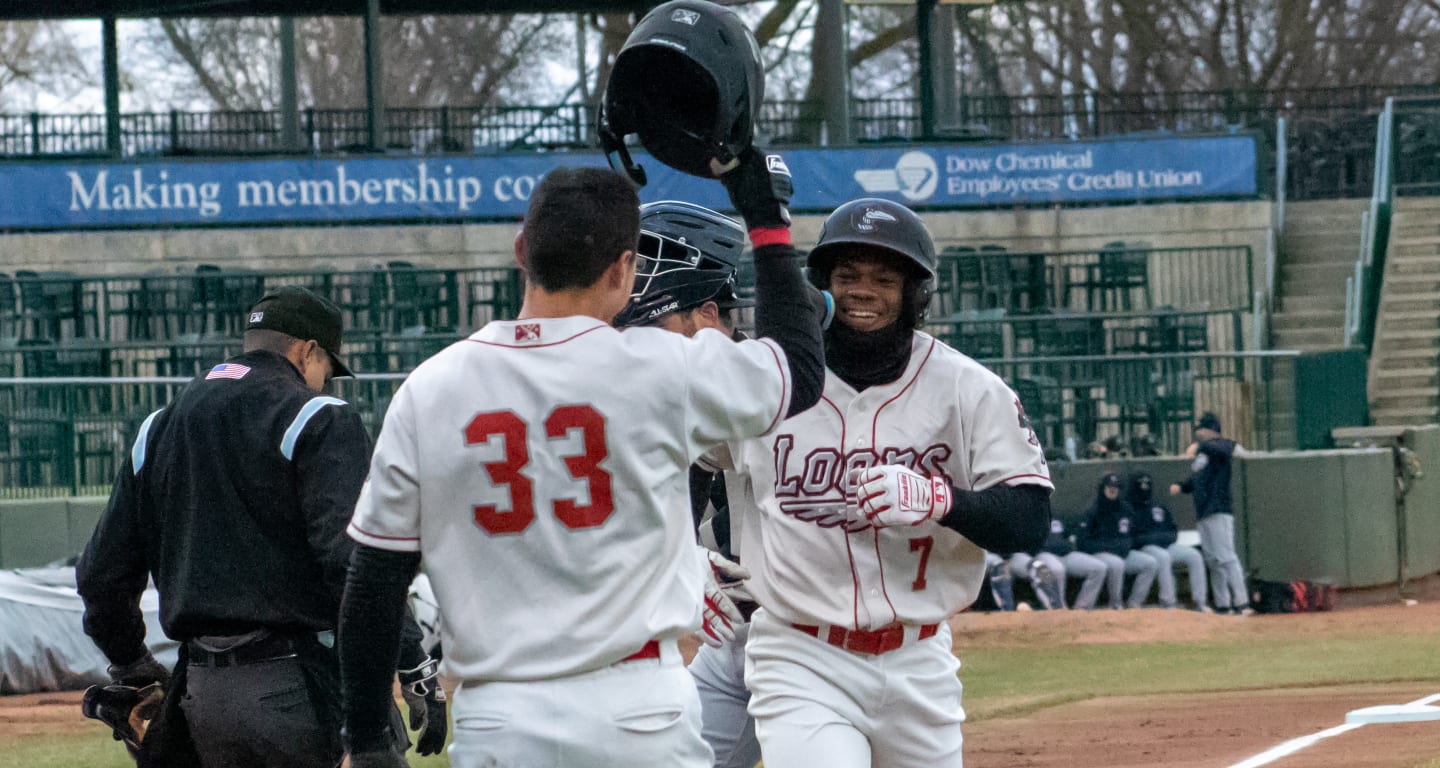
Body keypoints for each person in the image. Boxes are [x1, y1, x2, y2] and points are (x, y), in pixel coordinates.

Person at [336, 154, 826, 768]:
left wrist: (366, 739)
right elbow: (799, 373)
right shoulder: (661, 366)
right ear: (625, 269)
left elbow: (374, 583)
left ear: (521, 251)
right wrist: (767, 222)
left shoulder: (431, 388)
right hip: (639, 708)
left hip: (502, 713)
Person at [705, 197, 1053, 768]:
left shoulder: (970, 389)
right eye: (847, 276)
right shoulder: (763, 380)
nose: (862, 291)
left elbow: (1029, 520)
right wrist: (680, 558)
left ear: (917, 294)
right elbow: (672, 460)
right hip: (800, 653)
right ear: (819, 288)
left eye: (884, 278)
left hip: (920, 661)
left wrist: (941, 499)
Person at [75, 287, 445, 768]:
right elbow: (352, 564)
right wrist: (412, 659)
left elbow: (101, 576)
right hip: (301, 689)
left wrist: (132, 664)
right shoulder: (316, 416)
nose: (324, 384)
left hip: (199, 700)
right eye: (327, 371)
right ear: (307, 350)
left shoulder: (158, 427)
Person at [613, 199, 763, 768]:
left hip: (816, 636)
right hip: (735, 637)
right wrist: (684, 558)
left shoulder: (774, 388)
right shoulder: (676, 390)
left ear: (704, 313)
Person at [1170, 412, 1253, 615]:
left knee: (1226, 556)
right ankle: (1223, 604)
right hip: (1204, 510)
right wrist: (1182, 486)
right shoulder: (1204, 452)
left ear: (1210, 429)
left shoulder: (1219, 447)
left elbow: (1229, 448)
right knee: (1213, 560)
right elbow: (1197, 476)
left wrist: (1200, 447)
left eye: (1201, 429)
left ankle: (1242, 603)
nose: (1198, 433)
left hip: (1219, 509)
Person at [1127, 469, 1211, 612]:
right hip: (1145, 548)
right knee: (1163, 556)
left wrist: (1159, 538)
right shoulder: (1129, 509)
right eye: (1141, 484)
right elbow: (1134, 538)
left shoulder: (1159, 507)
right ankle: (1169, 602)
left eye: (1147, 484)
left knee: (1194, 556)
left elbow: (1173, 533)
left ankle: (1200, 602)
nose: (1144, 487)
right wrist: (1155, 539)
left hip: (1166, 545)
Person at [1074, 473, 1159, 610]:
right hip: (1100, 553)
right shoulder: (1093, 510)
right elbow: (1083, 543)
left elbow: (1133, 534)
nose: (1113, 490)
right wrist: (1111, 548)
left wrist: (1126, 545)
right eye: (1109, 487)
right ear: (1103, 488)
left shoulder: (1125, 509)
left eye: (1116, 488)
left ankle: (1134, 603)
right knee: (1117, 564)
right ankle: (1115, 605)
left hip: (1123, 552)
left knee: (1150, 563)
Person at [1006, 514, 1108, 610]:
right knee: (1057, 569)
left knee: (1099, 568)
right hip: (1045, 554)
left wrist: (1068, 544)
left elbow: (1069, 535)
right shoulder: (1027, 518)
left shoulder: (1056, 516)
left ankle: (1082, 609)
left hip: (1066, 554)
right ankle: (1059, 609)